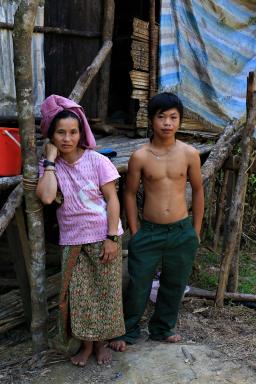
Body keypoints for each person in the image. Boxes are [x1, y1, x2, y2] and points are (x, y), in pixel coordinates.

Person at [110, 92, 204, 352]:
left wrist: (195, 229)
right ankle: (128, 331)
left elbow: (197, 190)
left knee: (174, 284)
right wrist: (136, 229)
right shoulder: (140, 156)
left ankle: (162, 329)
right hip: (149, 231)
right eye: (161, 117)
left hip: (181, 230)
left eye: (173, 117)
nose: (167, 123)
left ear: (180, 121)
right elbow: (128, 192)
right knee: (139, 283)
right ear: (151, 120)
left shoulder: (189, 154)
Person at [36, 95, 125, 366]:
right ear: (52, 136)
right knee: (80, 298)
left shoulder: (97, 160)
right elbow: (47, 197)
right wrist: (50, 161)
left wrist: (111, 237)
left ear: (81, 133)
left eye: (73, 132)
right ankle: (86, 347)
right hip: (73, 240)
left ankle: (100, 346)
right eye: (60, 133)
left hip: (103, 237)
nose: (67, 138)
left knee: (105, 294)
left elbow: (113, 200)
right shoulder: (50, 167)